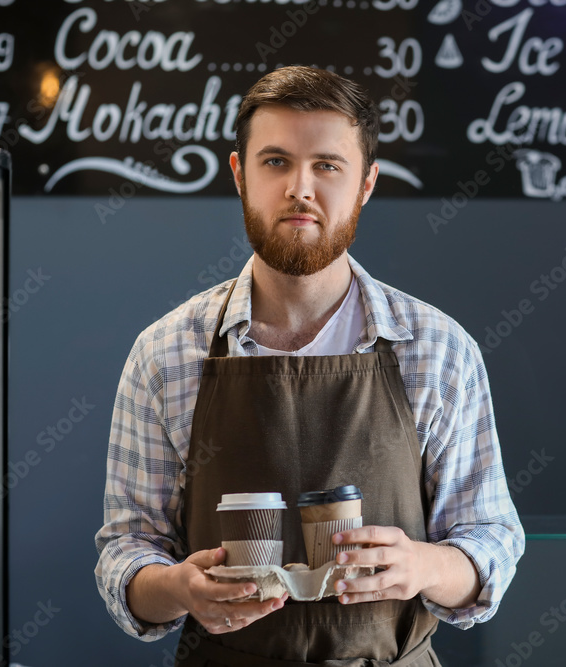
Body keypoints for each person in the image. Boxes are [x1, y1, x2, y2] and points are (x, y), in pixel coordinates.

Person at [94, 65, 525, 666]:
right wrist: (177, 589)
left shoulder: (438, 349)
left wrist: (422, 564)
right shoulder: (166, 354)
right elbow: (128, 549)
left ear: (366, 184)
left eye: (327, 165)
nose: (301, 188)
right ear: (240, 175)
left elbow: (492, 543)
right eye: (275, 162)